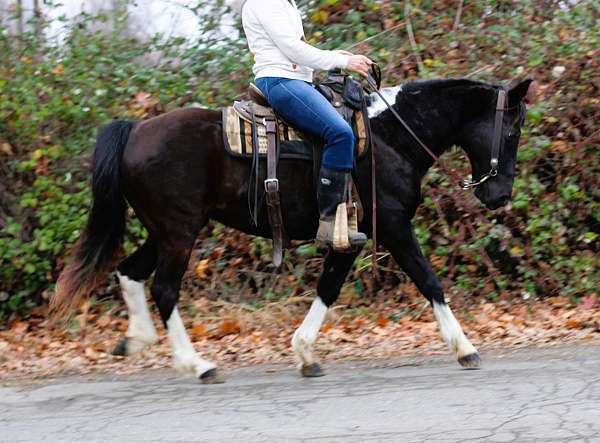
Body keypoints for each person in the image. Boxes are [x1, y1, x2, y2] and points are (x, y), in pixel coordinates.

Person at [227, 0, 371, 249]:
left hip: (295, 80)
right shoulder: (265, 3)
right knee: (340, 134)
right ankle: (327, 225)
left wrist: (336, 56)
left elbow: (293, 51)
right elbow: (292, 50)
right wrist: (342, 62)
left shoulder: (284, 3)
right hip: (280, 81)